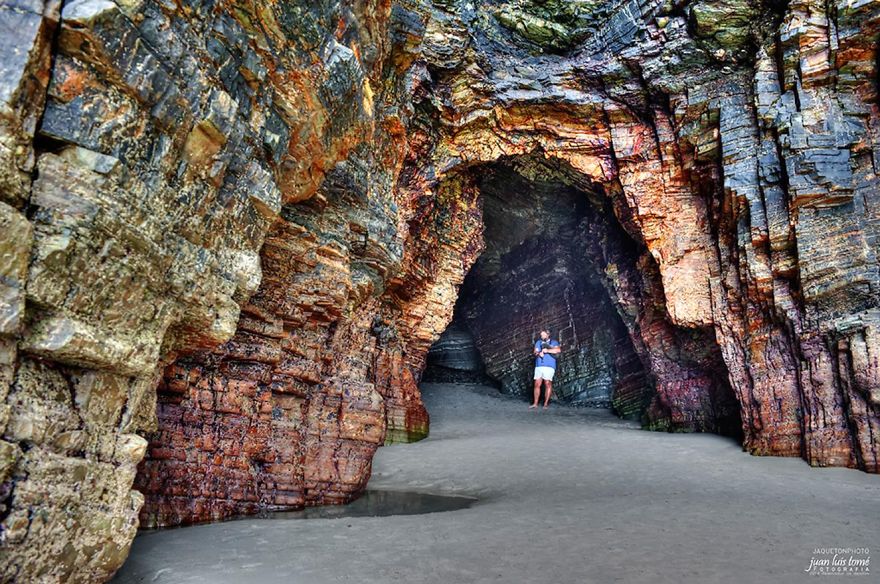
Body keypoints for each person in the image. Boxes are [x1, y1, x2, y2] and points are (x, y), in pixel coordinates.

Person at [531, 329, 561, 409]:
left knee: (547, 383)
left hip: (549, 366)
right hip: (539, 366)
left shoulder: (553, 342)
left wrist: (547, 350)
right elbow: (535, 352)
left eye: (543, 335)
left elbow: (558, 350)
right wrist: (538, 354)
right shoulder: (538, 342)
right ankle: (535, 403)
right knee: (537, 384)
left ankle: (545, 404)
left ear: (548, 335)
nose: (542, 336)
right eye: (541, 335)